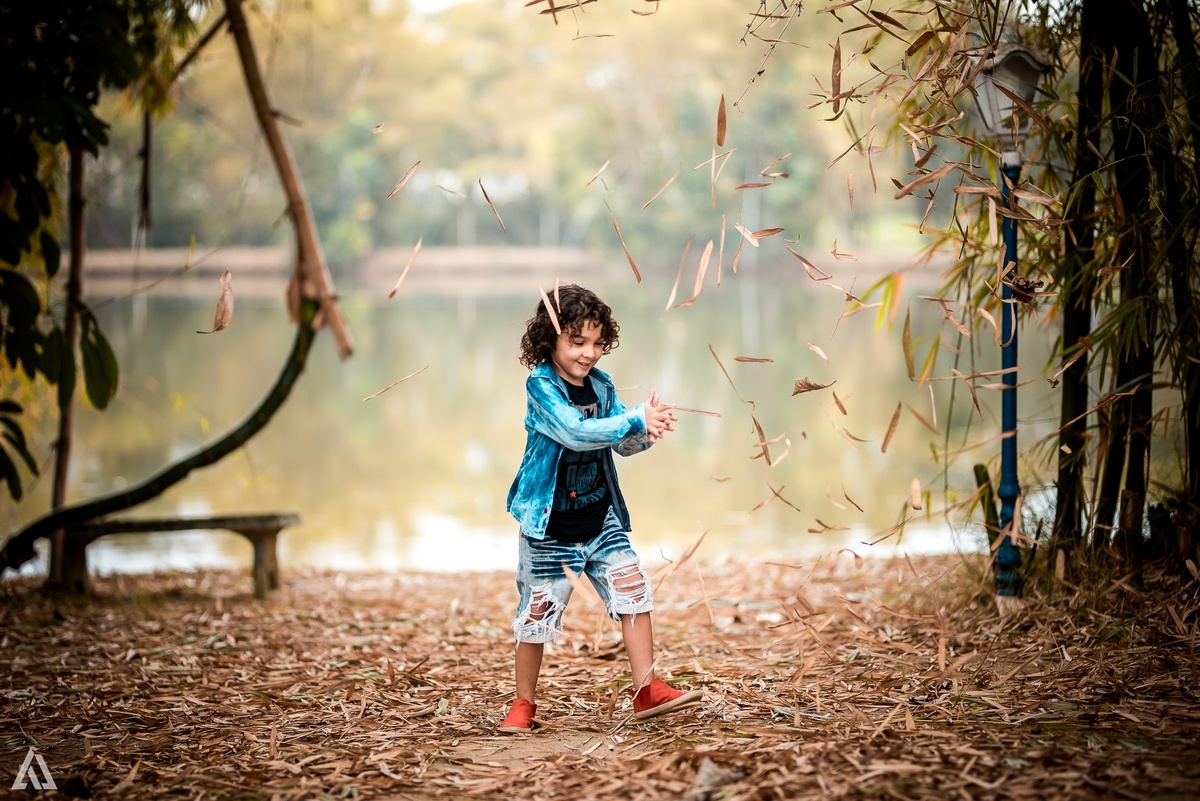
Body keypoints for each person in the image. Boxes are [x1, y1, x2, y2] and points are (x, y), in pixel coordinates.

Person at [498, 284, 703, 734]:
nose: (589, 353)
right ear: (549, 339)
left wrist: (646, 429)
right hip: (549, 526)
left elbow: (620, 443)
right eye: (577, 342)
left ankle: (646, 690)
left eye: (596, 343)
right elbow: (575, 432)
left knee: (634, 591)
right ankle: (523, 704)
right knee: (536, 617)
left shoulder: (602, 386)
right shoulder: (541, 386)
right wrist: (633, 418)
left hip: (600, 518)